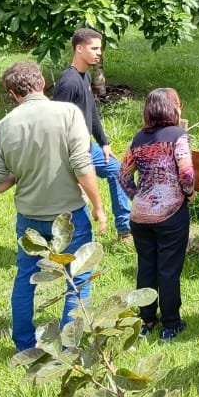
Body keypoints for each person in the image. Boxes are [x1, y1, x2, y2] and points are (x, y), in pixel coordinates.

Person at [0, 60, 107, 352]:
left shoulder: (1, 128)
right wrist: (98, 205)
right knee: (78, 280)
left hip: (29, 216)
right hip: (69, 216)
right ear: (42, 83)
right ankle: (69, 346)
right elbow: (81, 164)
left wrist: (20, 173)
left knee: (26, 280)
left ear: (13, 94)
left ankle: (24, 345)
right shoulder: (67, 113)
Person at [120, 88, 195, 340]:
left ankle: (146, 319)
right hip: (171, 212)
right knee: (169, 269)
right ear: (172, 108)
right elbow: (186, 173)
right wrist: (189, 193)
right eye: (178, 104)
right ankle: (171, 324)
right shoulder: (178, 136)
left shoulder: (138, 139)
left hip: (140, 215)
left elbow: (123, 175)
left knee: (146, 267)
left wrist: (137, 195)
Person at [52, 27, 131, 244]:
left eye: (100, 49)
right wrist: (70, 164)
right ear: (79, 49)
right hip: (72, 152)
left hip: (89, 147)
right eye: (94, 48)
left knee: (117, 170)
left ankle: (125, 230)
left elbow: (91, 112)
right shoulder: (68, 83)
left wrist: (104, 143)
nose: (99, 53)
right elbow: (57, 124)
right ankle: (75, 240)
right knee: (78, 197)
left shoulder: (84, 75)